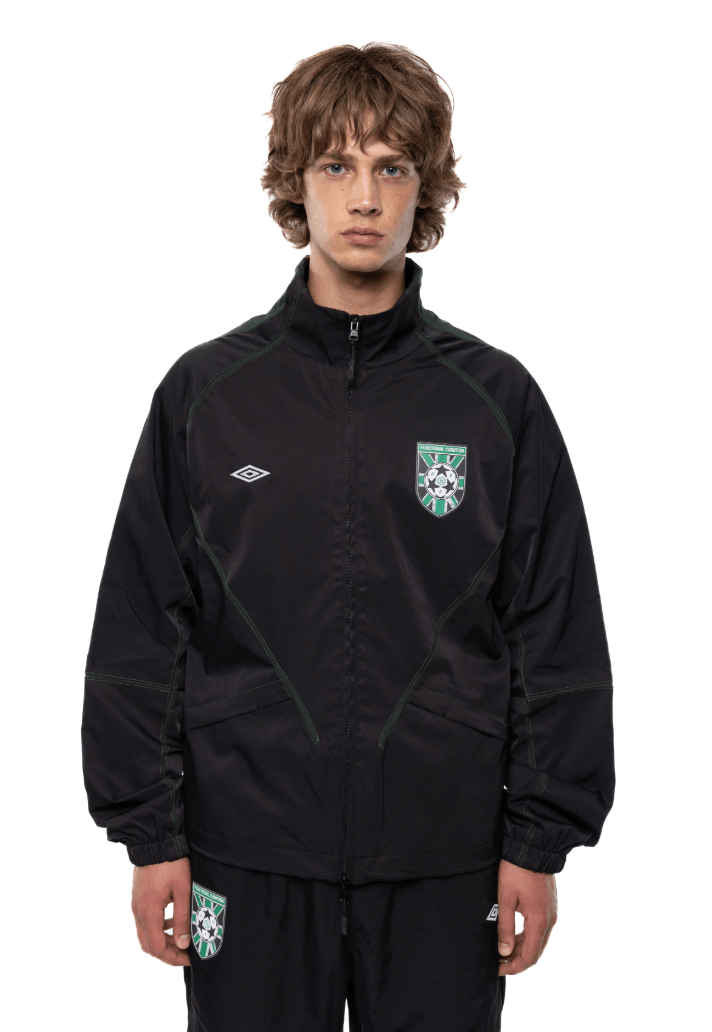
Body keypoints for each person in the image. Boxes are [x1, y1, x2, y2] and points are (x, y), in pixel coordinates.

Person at [82, 42, 615, 1032]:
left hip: (444, 857)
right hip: (244, 850)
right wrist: (150, 837)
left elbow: (554, 630)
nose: (364, 197)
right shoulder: (207, 394)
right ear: (296, 181)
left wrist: (539, 843)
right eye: (336, 164)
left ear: (427, 186)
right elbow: (141, 626)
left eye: (392, 166)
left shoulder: (496, 402)